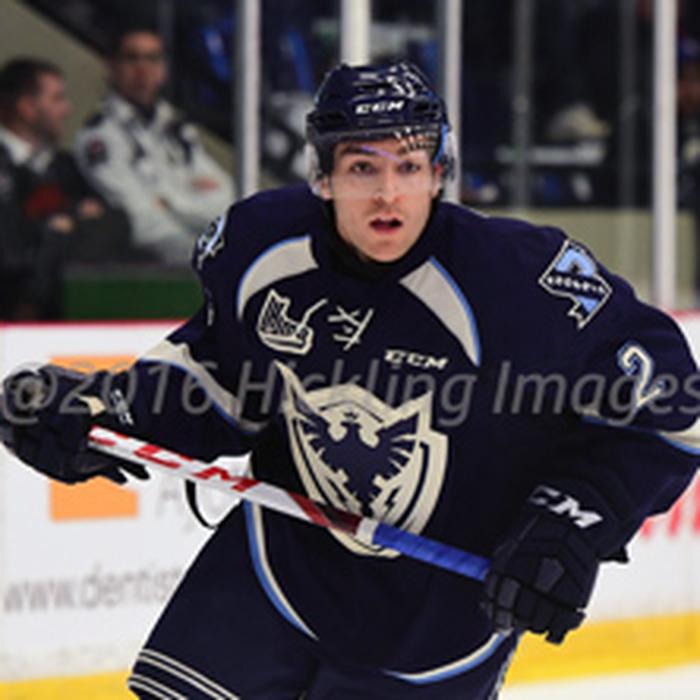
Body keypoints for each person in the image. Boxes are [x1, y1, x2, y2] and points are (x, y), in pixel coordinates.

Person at [1, 61, 699, 699]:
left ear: (439, 174)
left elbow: (673, 408)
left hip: (441, 618)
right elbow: (220, 382)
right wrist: (107, 413)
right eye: (363, 167)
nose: (388, 193)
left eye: (409, 166)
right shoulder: (262, 248)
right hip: (278, 567)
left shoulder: (517, 281)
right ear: (324, 176)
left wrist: (572, 519)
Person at [74, 26, 235, 265]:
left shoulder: (176, 129)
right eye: (132, 58)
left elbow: (227, 199)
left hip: (207, 250)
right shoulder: (100, 137)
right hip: (155, 266)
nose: (143, 68)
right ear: (112, 67)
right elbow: (144, 223)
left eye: (152, 58)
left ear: (163, 70)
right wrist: (207, 251)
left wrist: (170, 202)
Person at [0, 57, 131, 319]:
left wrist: (54, 234)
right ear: (27, 107)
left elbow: (116, 223)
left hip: (66, 314)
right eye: (57, 99)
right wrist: (67, 222)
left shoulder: (64, 167)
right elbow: (9, 251)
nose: (67, 109)